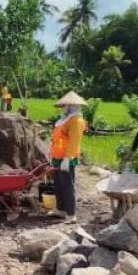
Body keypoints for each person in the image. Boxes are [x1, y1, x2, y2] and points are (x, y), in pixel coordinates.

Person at [49, 91, 88, 224]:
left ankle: (71, 214)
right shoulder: (64, 119)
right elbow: (57, 139)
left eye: (65, 105)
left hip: (67, 158)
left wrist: (67, 158)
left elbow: (74, 142)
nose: (63, 108)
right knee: (58, 184)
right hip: (57, 157)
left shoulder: (76, 120)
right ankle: (60, 209)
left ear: (72, 106)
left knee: (67, 185)